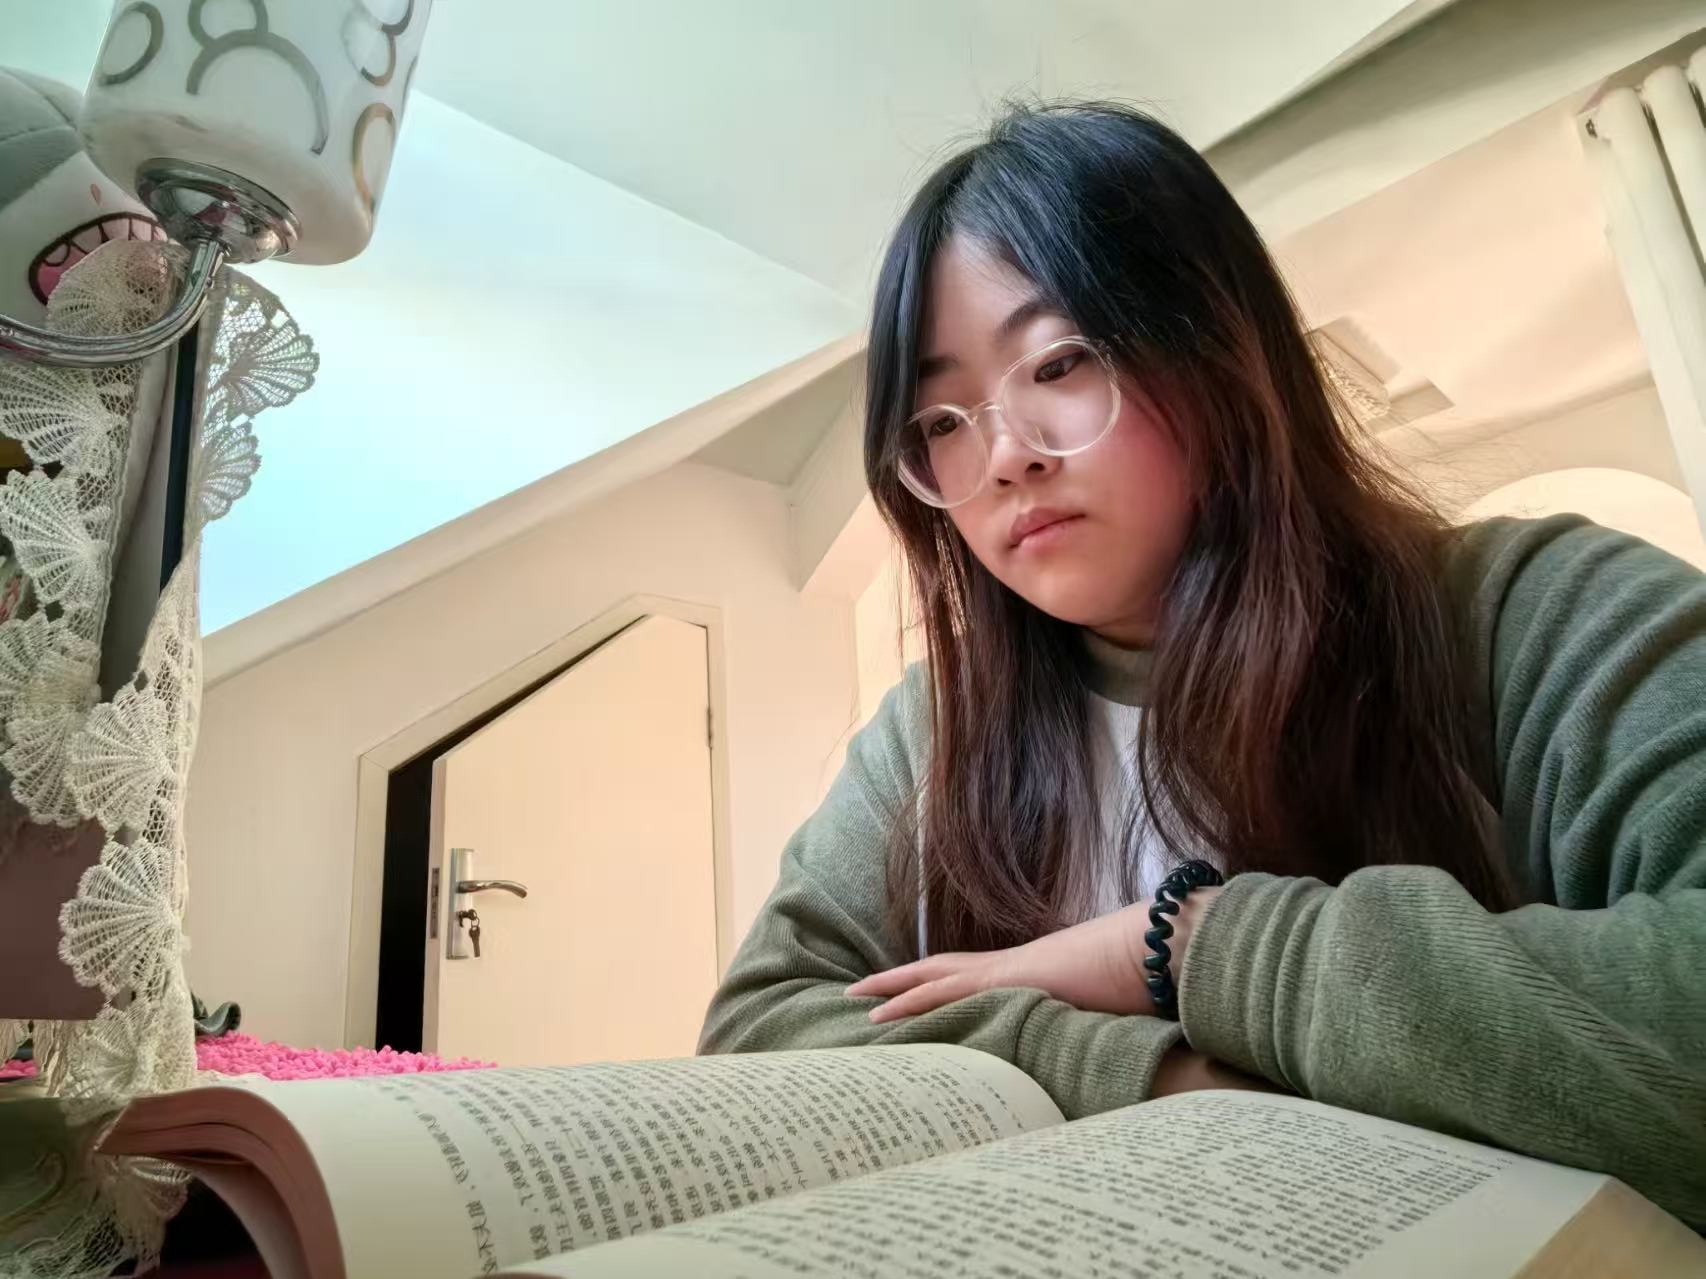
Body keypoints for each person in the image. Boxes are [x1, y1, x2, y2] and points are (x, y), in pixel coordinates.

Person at [698, 101, 1706, 1229]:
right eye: (940, 422)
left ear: (1215, 345)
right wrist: (1151, 1073)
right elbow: (761, 1031)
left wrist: (1189, 944)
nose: (1005, 456)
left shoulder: (1530, 610)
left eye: (1059, 362)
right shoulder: (934, 731)